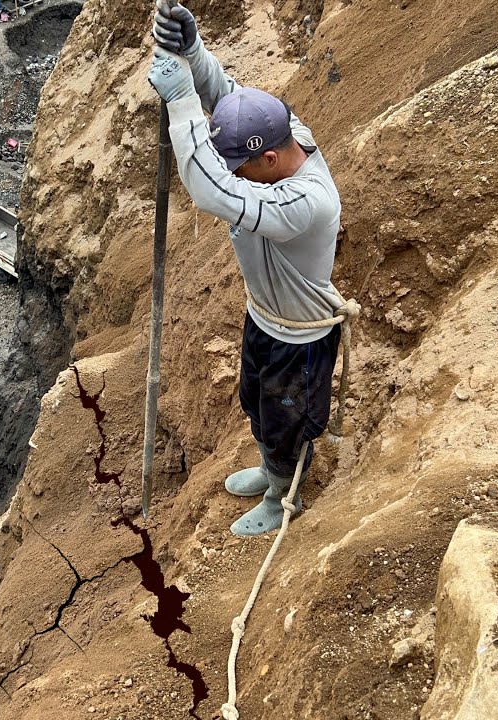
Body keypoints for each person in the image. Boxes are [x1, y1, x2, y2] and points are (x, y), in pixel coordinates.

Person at [149, 2, 347, 536]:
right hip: (265, 319)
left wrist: (181, 102)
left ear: (269, 162)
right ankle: (268, 471)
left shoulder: (304, 201)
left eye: (243, 169)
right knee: (255, 402)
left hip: (298, 338)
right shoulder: (283, 135)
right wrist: (193, 54)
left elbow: (213, 190)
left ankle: (287, 493)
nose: (237, 174)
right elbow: (236, 105)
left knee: (287, 421)